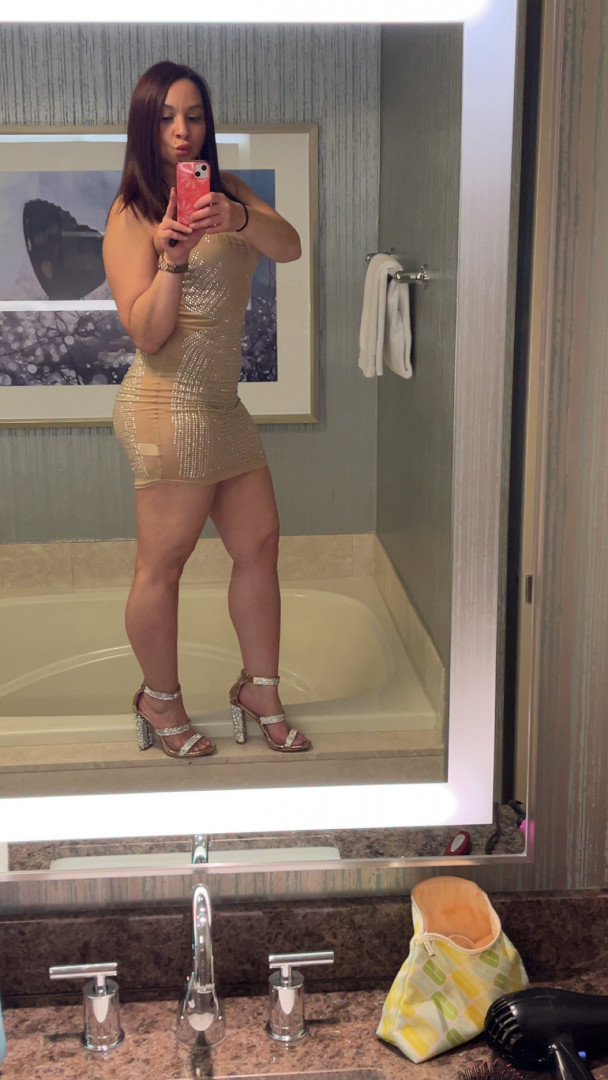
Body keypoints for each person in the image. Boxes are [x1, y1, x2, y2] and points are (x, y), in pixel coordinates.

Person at [102, 61, 311, 760]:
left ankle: (260, 690)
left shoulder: (228, 192)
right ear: (146, 126)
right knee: (164, 563)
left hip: (222, 404)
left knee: (260, 545)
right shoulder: (132, 213)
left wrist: (239, 216)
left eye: (193, 116)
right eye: (166, 118)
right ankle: (159, 699)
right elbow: (147, 334)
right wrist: (173, 259)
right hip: (166, 405)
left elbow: (290, 247)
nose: (182, 131)